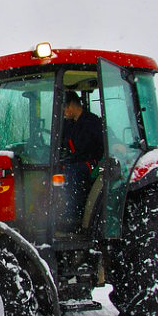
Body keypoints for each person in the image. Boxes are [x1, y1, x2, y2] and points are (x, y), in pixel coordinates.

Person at [59, 91, 104, 231]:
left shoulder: (92, 122)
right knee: (57, 168)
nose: (64, 113)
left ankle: (73, 216)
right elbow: (60, 141)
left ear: (71, 106)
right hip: (76, 160)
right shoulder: (69, 125)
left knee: (72, 173)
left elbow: (106, 141)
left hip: (94, 163)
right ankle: (59, 210)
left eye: (64, 108)